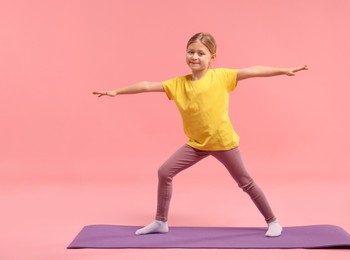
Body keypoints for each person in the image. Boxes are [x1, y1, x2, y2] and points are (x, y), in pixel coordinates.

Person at [93, 32, 308, 237]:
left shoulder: (222, 76)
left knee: (246, 183)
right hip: (197, 144)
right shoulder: (178, 84)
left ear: (212, 57)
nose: (194, 56)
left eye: (201, 53)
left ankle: (273, 221)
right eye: (190, 51)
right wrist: (117, 91)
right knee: (164, 172)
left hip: (223, 143)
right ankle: (161, 222)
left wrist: (283, 70)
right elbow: (147, 85)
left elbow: (252, 70)